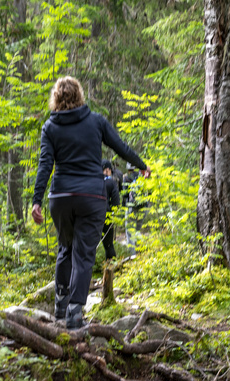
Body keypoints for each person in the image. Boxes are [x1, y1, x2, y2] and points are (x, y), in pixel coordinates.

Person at [31, 76, 147, 329]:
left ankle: (60, 304)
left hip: (60, 197)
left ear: (56, 98)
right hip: (92, 197)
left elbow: (45, 166)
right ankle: (74, 311)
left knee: (66, 249)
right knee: (83, 254)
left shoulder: (50, 127)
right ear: (80, 95)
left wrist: (36, 200)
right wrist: (142, 166)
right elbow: (121, 148)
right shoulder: (96, 121)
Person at [101, 159, 121, 260]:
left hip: (90, 214)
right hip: (106, 215)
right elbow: (116, 202)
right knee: (108, 245)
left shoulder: (92, 180)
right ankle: (111, 267)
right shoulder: (111, 182)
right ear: (107, 170)